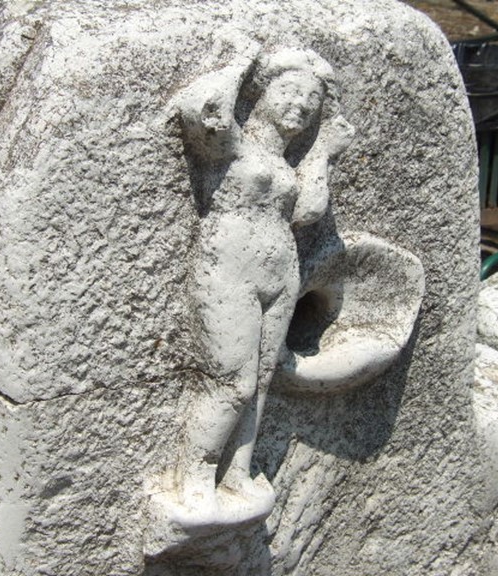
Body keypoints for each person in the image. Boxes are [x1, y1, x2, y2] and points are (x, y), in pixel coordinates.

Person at [172, 47, 354, 524]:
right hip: (230, 269)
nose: (300, 105)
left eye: (311, 100)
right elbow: (203, 110)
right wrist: (241, 59)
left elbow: (307, 211)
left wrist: (323, 152)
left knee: (263, 383)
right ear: (263, 93)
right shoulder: (234, 143)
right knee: (232, 383)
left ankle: (237, 472)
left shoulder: (286, 164)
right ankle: (194, 477)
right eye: (289, 91)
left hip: (280, 272)